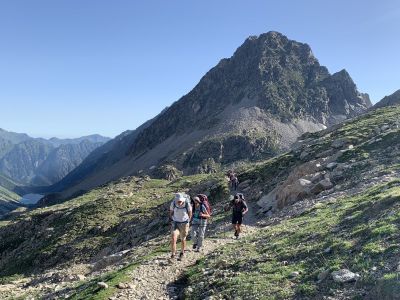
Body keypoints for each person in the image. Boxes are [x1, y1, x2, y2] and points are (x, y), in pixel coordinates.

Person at [169, 192, 192, 261]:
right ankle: (173, 254)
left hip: (184, 223)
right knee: (173, 238)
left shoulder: (187, 204)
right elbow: (171, 212)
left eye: (180, 201)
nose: (179, 202)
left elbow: (190, 213)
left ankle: (182, 252)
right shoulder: (173, 204)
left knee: (183, 239)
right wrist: (172, 219)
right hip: (175, 223)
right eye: (178, 201)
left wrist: (188, 221)